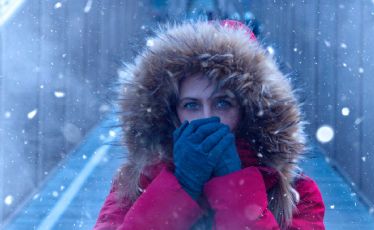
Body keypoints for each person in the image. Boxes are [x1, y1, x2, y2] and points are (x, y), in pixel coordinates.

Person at [94, 20, 325, 230]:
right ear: (172, 112)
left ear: (248, 110)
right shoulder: (136, 181)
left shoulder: (293, 190)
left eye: (222, 103)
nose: (207, 118)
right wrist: (180, 187)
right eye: (192, 105)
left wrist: (236, 188)